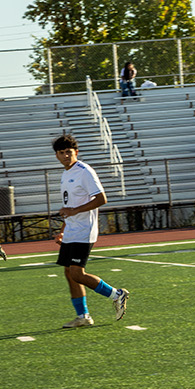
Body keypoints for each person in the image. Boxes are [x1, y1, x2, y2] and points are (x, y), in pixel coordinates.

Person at [50, 134, 130, 328]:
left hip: (84, 230)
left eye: (69, 152)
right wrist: (63, 229)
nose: (66, 156)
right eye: (61, 153)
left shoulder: (84, 171)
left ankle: (116, 294)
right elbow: (69, 206)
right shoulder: (66, 174)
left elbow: (101, 198)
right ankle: (83, 316)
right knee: (69, 274)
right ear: (57, 156)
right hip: (72, 230)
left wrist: (74, 211)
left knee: (77, 273)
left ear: (76, 152)